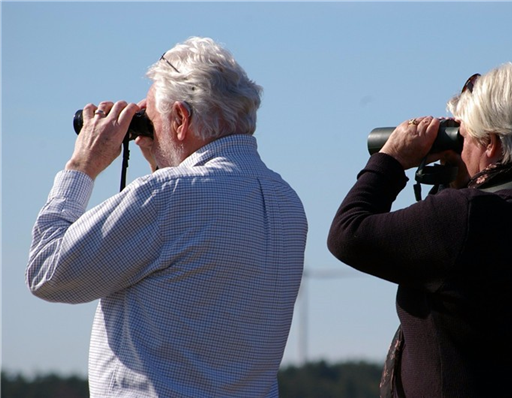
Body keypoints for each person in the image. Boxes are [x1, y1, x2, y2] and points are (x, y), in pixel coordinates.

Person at [27, 37, 308, 397]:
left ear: (180, 118)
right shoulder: (286, 203)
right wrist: (162, 161)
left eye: (151, 120)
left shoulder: (169, 195)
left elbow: (47, 271)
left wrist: (82, 166)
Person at [327, 63, 512, 397]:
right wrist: (457, 176)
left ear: (492, 144)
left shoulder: (466, 218)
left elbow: (348, 234)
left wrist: (391, 160)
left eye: (463, 137)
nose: (458, 146)